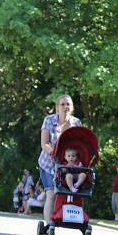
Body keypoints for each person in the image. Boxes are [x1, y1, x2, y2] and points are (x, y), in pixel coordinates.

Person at [39, 94, 82, 225]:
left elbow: (78, 145)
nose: (65, 107)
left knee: (61, 193)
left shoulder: (76, 123)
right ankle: (48, 225)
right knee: (51, 194)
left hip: (67, 164)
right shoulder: (49, 120)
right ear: (57, 107)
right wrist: (53, 151)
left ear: (72, 107)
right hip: (48, 163)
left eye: (68, 104)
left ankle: (59, 218)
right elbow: (44, 143)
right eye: (62, 104)